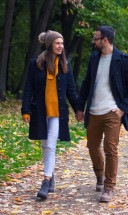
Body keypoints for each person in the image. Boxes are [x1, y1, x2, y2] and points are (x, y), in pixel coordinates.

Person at [76, 26, 128, 202]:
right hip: (94, 111)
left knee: (110, 148)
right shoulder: (94, 59)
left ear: (105, 40)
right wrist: (80, 107)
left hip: (113, 112)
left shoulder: (124, 60)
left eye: (95, 38)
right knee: (92, 146)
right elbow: (86, 83)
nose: (93, 41)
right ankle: (100, 175)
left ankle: (109, 187)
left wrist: (122, 108)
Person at [21, 30, 78, 199]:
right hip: (39, 112)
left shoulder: (65, 66)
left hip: (57, 113)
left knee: (51, 146)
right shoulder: (35, 64)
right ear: (50, 45)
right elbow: (28, 88)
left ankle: (45, 181)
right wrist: (25, 110)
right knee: (45, 146)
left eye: (62, 43)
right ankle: (51, 175)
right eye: (57, 43)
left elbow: (72, 92)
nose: (61, 46)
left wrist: (79, 110)